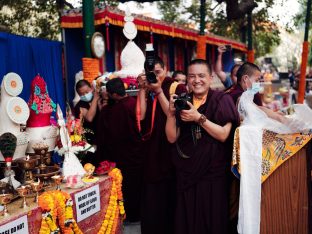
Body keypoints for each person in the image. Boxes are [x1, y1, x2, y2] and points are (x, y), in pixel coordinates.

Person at [166, 59, 240, 234]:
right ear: (187, 80)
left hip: (212, 175)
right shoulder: (183, 101)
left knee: (211, 220)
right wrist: (170, 113)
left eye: (201, 76)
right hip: (186, 173)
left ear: (210, 77)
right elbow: (171, 138)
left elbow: (223, 135)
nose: (196, 80)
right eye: (192, 76)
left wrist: (198, 118)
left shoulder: (222, 99)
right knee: (188, 219)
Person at [137, 56, 187, 234]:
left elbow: (173, 114)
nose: (155, 77)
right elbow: (141, 117)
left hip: (170, 151)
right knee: (152, 200)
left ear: (165, 69)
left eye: (158, 72)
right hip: (152, 152)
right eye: (151, 73)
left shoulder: (176, 87)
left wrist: (159, 91)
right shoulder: (148, 87)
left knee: (169, 198)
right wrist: (142, 89)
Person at [96, 78, 143, 223]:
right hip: (137, 154)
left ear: (114, 94)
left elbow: (104, 136)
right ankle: (138, 215)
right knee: (137, 186)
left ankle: (127, 215)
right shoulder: (135, 104)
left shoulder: (110, 111)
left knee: (124, 188)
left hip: (119, 158)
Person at [74, 80, 100, 164]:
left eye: (87, 92)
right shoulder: (80, 105)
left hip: (102, 136)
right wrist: (95, 99)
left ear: (91, 88)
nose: (85, 95)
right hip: (90, 140)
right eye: (81, 94)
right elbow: (89, 118)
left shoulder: (100, 98)